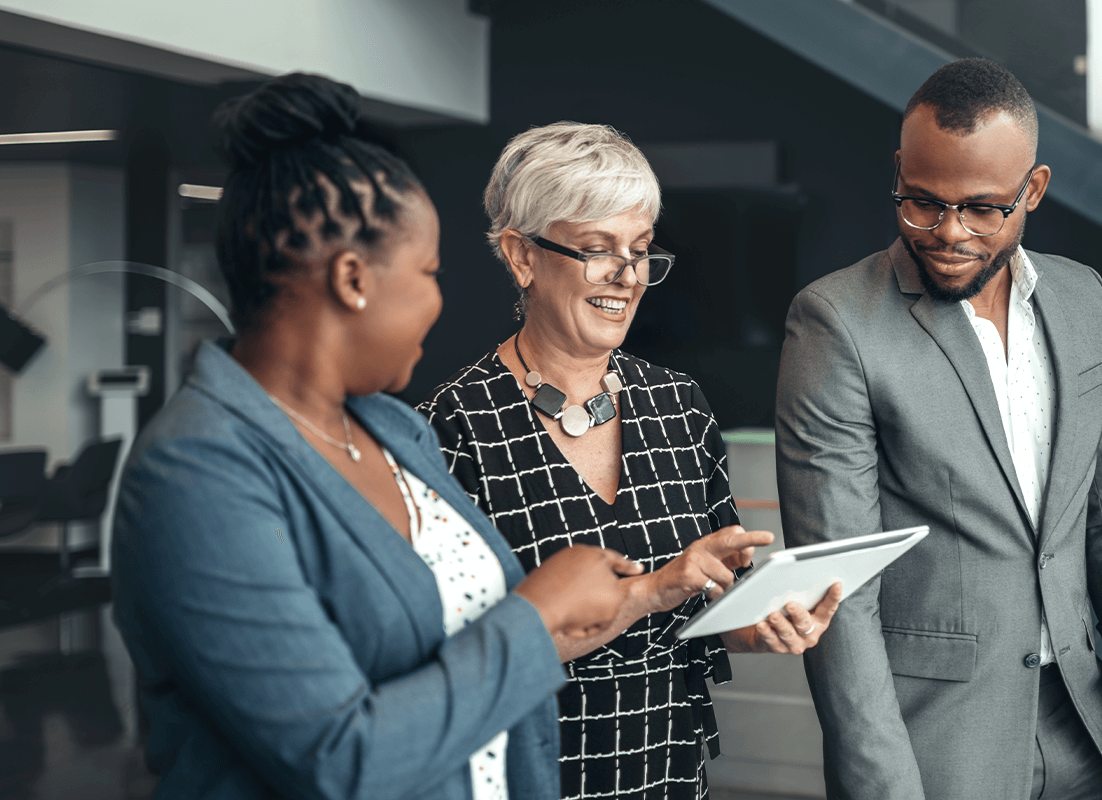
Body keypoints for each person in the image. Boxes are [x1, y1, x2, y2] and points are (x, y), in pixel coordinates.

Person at [111, 74, 640, 800]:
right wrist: (538, 610)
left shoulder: (394, 430)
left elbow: (472, 655)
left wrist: (627, 599)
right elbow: (340, 760)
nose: (438, 299)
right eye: (428, 272)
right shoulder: (195, 474)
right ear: (353, 278)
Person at [775, 59, 1102, 800]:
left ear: (1031, 190)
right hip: (936, 747)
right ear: (900, 170)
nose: (947, 233)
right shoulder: (836, 322)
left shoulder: (1085, 301)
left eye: (981, 209)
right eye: (921, 203)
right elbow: (840, 592)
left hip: (1092, 729)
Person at [420, 122, 843, 800]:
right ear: (521, 256)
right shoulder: (453, 425)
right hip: (526, 776)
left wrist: (755, 622)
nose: (627, 275)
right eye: (596, 250)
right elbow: (452, 658)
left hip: (668, 772)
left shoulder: (679, 405)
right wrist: (647, 593)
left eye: (641, 251)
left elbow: (702, 611)